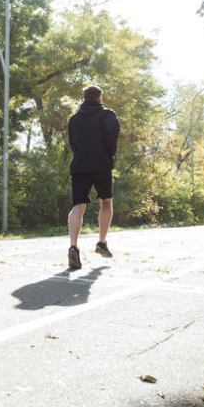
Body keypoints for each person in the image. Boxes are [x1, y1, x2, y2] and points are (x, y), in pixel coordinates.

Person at [66, 85, 120, 269]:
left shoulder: (73, 119)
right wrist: (110, 155)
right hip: (101, 165)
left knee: (78, 206)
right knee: (106, 202)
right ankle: (101, 243)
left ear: (84, 99)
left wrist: (81, 156)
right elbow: (113, 133)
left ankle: (73, 247)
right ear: (99, 98)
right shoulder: (108, 114)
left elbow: (72, 144)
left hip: (79, 165)